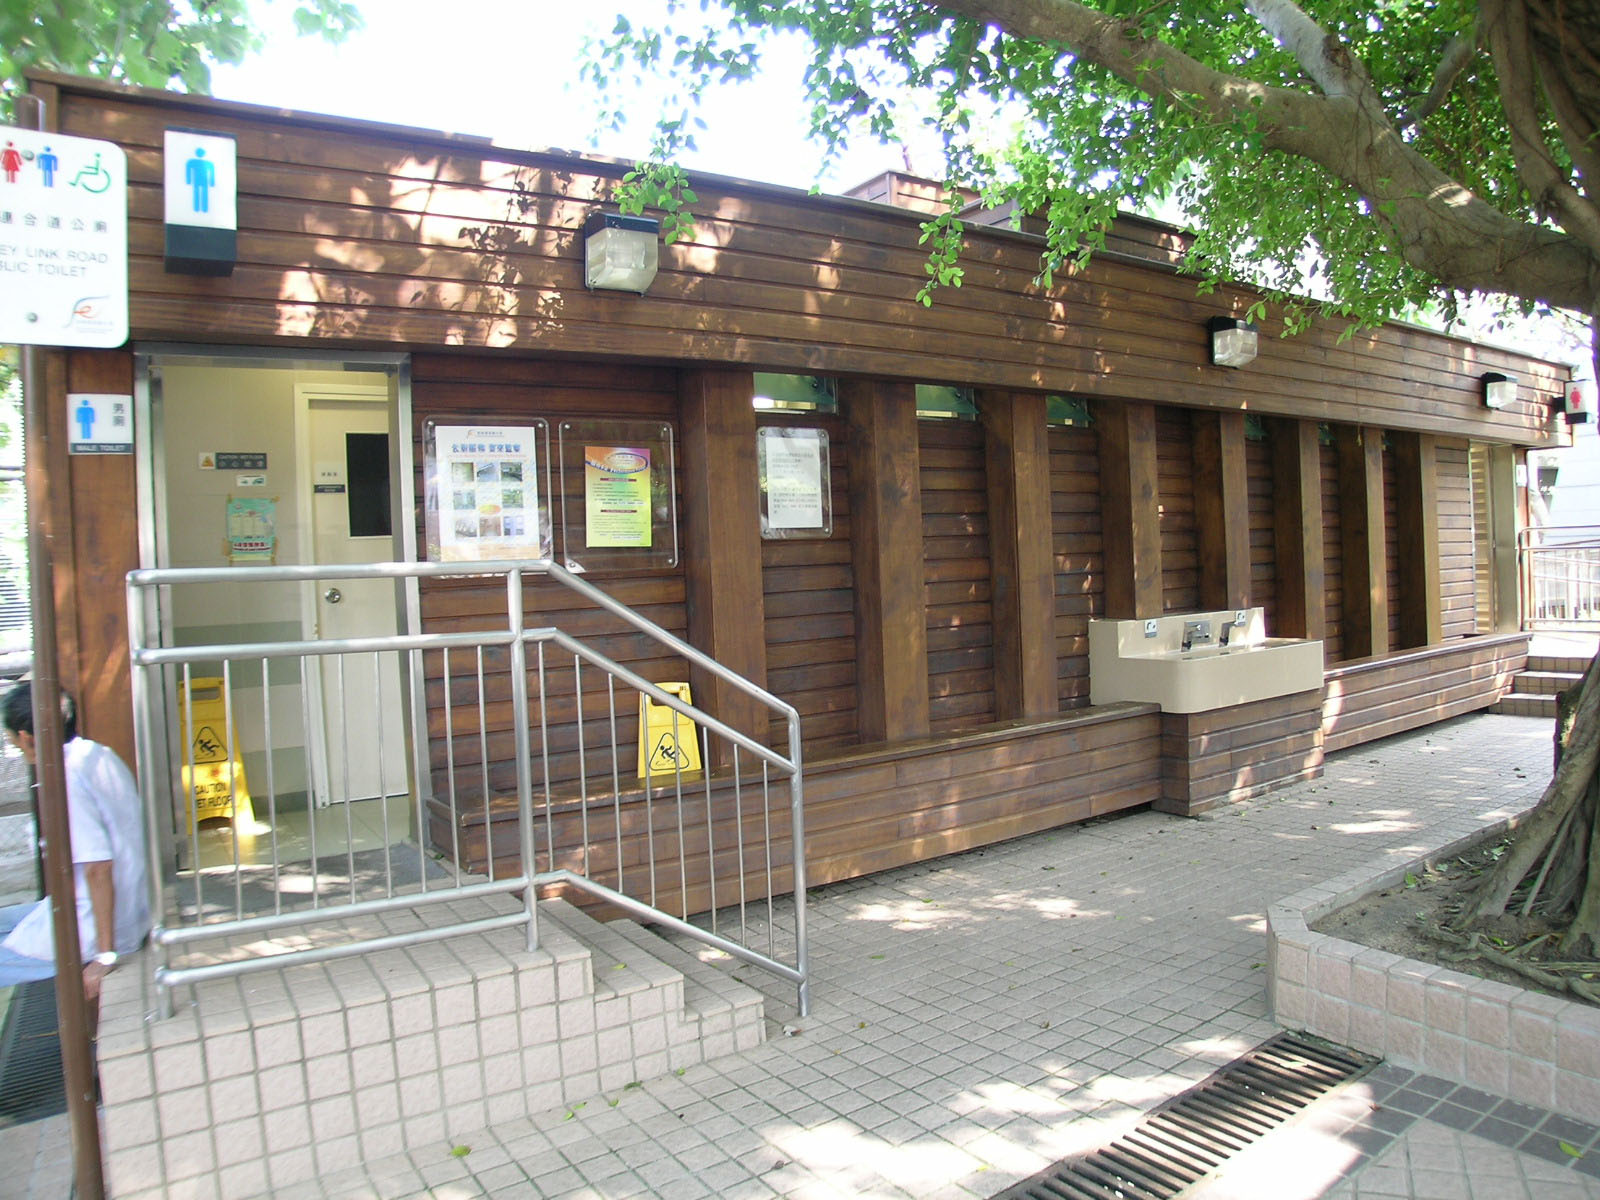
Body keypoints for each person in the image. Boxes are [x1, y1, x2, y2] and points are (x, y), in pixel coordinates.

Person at [0, 682, 149, 1003]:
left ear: (26, 739)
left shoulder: (64, 776)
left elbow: (98, 867)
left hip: (97, 925)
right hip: (127, 905)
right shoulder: (96, 753)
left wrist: (105, 956)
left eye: (11, 738)